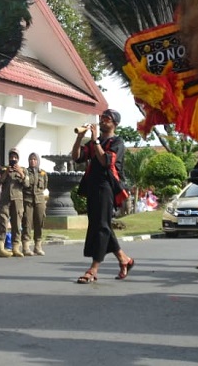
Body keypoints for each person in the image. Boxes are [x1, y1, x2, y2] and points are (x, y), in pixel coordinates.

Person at [71, 109, 134, 284]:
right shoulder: (93, 143)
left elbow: (105, 161)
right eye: (102, 118)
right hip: (93, 185)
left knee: (101, 226)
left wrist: (95, 140)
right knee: (100, 224)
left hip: (107, 186)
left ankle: (94, 268)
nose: (102, 120)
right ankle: (124, 259)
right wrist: (79, 137)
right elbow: (76, 157)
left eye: (106, 118)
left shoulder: (117, 142)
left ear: (115, 123)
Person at [0, 148, 25, 258]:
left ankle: (16, 247)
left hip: (17, 200)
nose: (13, 159)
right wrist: (5, 173)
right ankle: (0, 248)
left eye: (15, 157)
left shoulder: (23, 169)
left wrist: (20, 173)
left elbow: (27, 184)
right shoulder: (3, 169)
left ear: (18, 158)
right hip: (5, 199)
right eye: (11, 157)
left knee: (17, 224)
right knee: (2, 222)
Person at [21, 152, 48, 256]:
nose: (32, 161)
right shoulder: (25, 172)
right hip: (28, 200)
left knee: (39, 222)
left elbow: (44, 186)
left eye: (34, 159)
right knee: (27, 222)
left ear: (38, 161)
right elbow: (24, 184)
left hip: (40, 200)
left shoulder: (43, 173)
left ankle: (38, 246)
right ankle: (26, 246)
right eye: (31, 159)